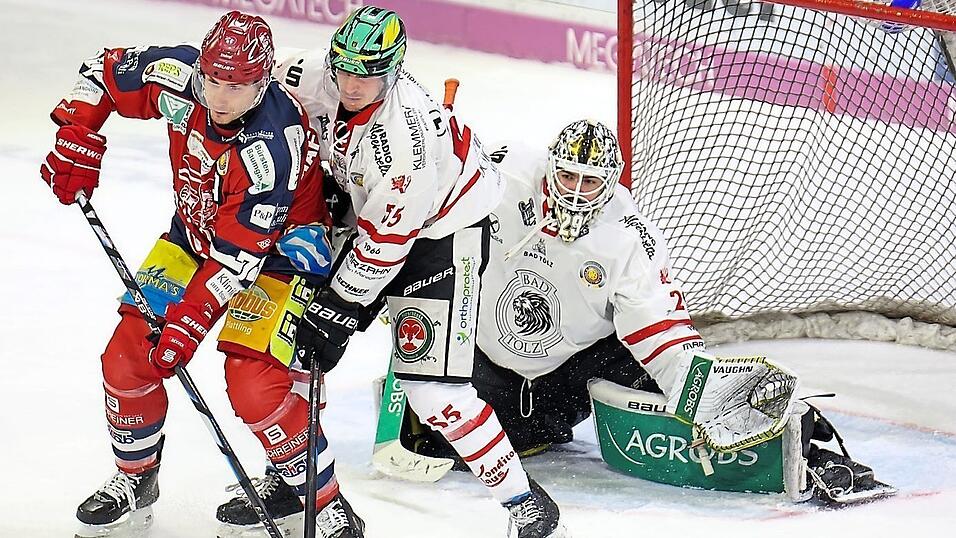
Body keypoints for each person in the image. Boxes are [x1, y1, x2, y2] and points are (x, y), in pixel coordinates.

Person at [408, 119, 896, 505]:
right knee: (430, 444)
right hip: (482, 362)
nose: (576, 191)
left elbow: (661, 334)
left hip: (566, 377)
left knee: (659, 364)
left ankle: (805, 447)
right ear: (549, 168)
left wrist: (703, 390)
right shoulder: (504, 172)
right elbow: (424, 186)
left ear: (613, 183)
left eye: (591, 182)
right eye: (568, 175)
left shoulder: (628, 239)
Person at [232, 5, 567, 538]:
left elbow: (386, 248)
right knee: (291, 352)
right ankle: (289, 477)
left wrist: (339, 311)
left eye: (367, 74)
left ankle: (524, 502)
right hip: (360, 214)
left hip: (440, 234)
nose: (350, 84)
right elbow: (245, 83)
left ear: (393, 70)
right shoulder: (310, 74)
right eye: (343, 68)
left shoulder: (404, 144)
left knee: (432, 393)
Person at [39, 11, 340, 537]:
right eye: (214, 81)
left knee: (253, 384)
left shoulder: (272, 143)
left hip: (278, 255)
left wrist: (189, 320)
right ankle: (135, 479)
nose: (221, 98)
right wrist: (77, 131)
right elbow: (101, 71)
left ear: (263, 83)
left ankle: (321, 500)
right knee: (128, 354)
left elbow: (239, 254)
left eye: (239, 87)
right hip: (194, 234)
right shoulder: (178, 75)